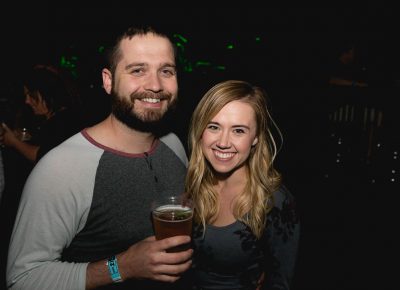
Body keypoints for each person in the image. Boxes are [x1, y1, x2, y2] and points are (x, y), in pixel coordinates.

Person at [6, 26, 192, 290]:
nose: (155, 85)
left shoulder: (174, 145)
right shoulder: (62, 168)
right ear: (108, 81)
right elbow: (23, 279)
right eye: (138, 70)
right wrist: (122, 267)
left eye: (166, 71)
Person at [185, 80, 300, 289]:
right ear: (200, 130)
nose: (223, 142)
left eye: (238, 131)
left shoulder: (275, 202)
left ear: (255, 137)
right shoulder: (191, 184)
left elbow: (280, 282)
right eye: (214, 127)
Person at [0, 64, 85, 163]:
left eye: (31, 95)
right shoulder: (55, 118)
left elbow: (42, 155)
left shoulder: (65, 120)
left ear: (47, 93)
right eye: (26, 96)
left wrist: (14, 142)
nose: (27, 101)